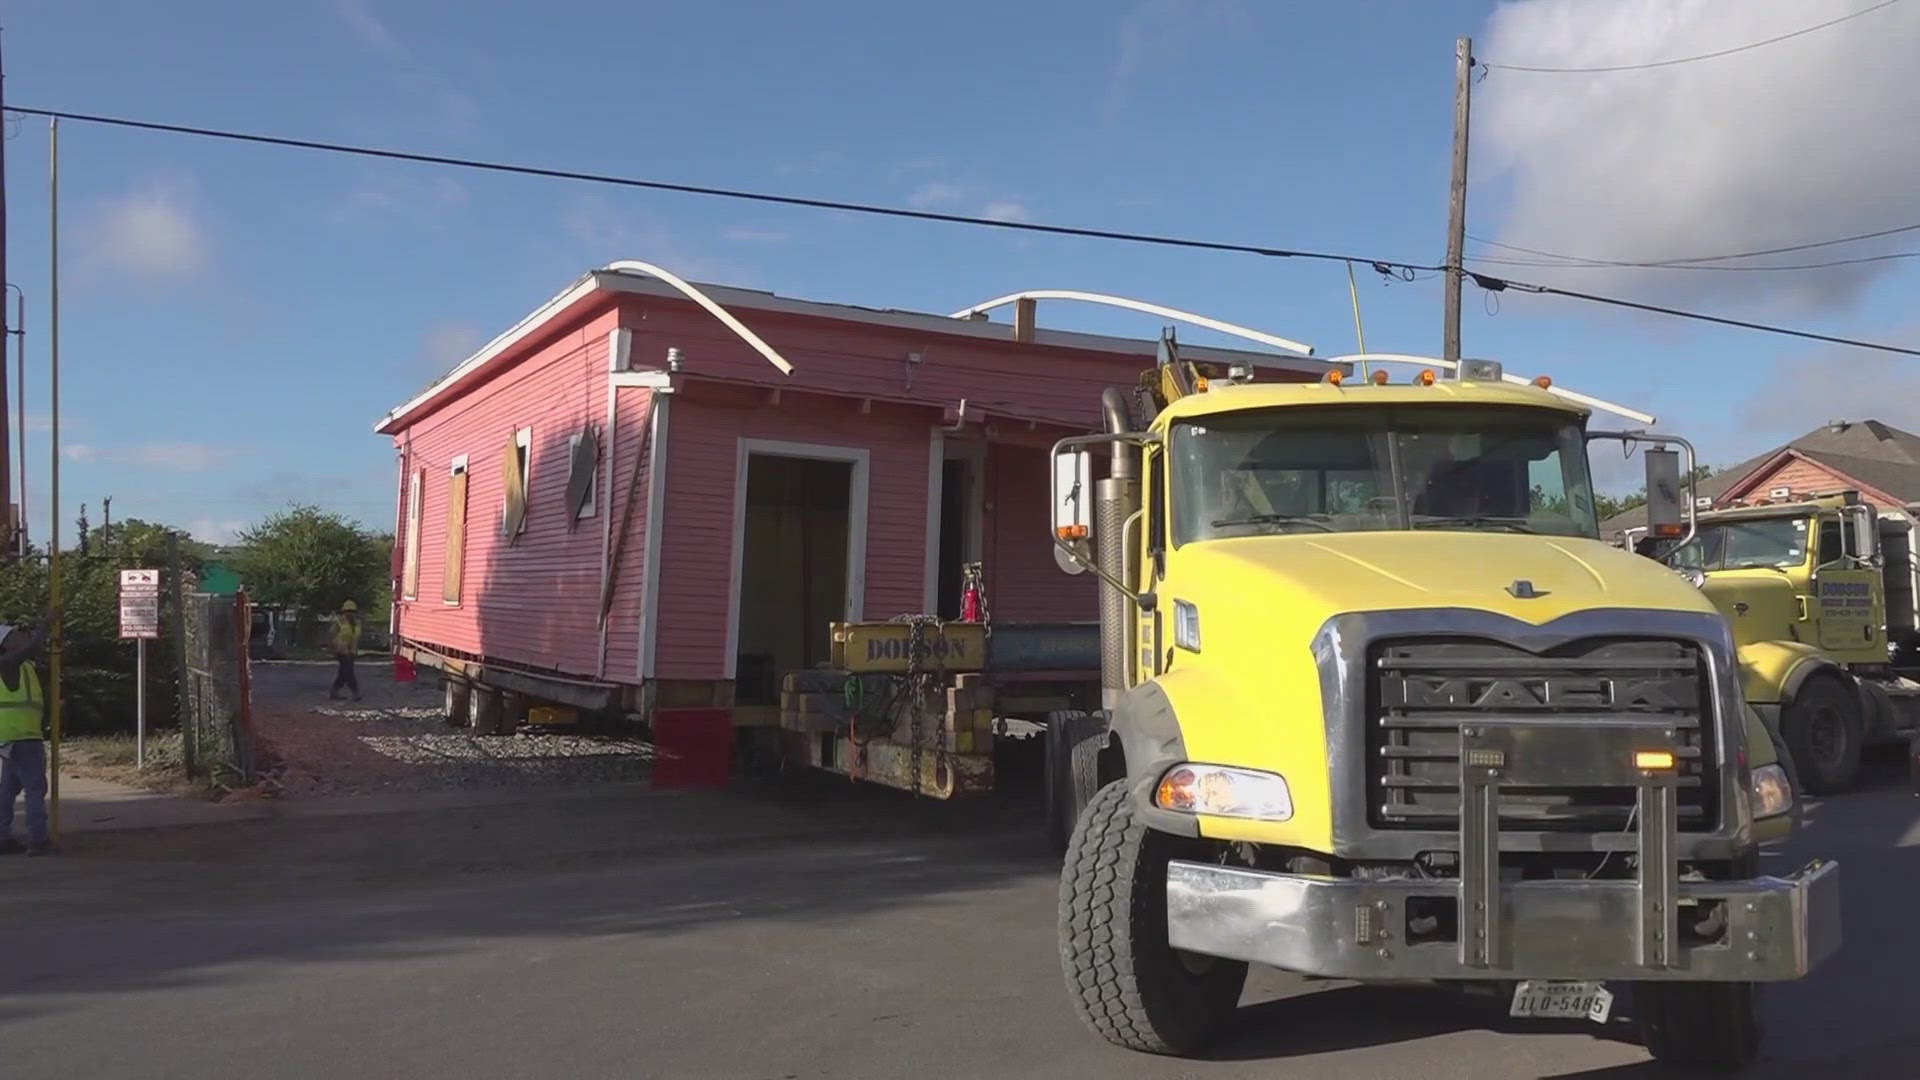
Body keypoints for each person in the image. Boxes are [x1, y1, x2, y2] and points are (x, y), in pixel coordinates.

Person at [0, 611, 56, 856]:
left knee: (7, 789)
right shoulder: (7, 663)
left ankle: (2, 838)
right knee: (34, 788)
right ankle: (38, 840)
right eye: (14, 635)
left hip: (14, 738)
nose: (20, 636)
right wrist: (46, 622)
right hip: (22, 738)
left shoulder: (22, 667)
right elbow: (31, 647)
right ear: (5, 645)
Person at [329, 600, 363, 702]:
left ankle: (334, 691)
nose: (350, 613)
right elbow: (331, 635)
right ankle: (355, 692)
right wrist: (332, 649)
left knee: (343, 673)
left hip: (352, 651)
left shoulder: (357, 623)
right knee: (349, 672)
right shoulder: (339, 622)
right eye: (348, 611)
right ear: (343, 612)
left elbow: (356, 637)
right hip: (341, 651)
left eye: (352, 611)